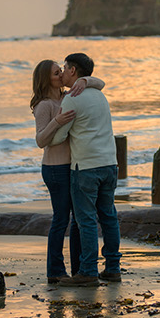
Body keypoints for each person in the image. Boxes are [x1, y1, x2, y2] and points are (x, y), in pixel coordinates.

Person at [41, 52, 122, 286]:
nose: (63, 72)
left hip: (85, 167)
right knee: (108, 217)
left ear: (73, 71)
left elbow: (58, 138)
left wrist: (51, 131)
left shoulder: (72, 99)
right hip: (110, 164)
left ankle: (87, 271)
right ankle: (113, 268)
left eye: (65, 68)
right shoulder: (99, 95)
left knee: (86, 221)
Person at [30, 60, 103, 286]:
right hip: (54, 169)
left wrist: (84, 80)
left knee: (78, 220)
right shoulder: (44, 106)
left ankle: (80, 270)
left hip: (73, 167)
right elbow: (41, 140)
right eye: (56, 72)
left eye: (61, 70)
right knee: (61, 220)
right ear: (46, 79)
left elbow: (100, 83)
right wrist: (56, 121)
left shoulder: (68, 96)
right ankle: (55, 271)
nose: (61, 74)